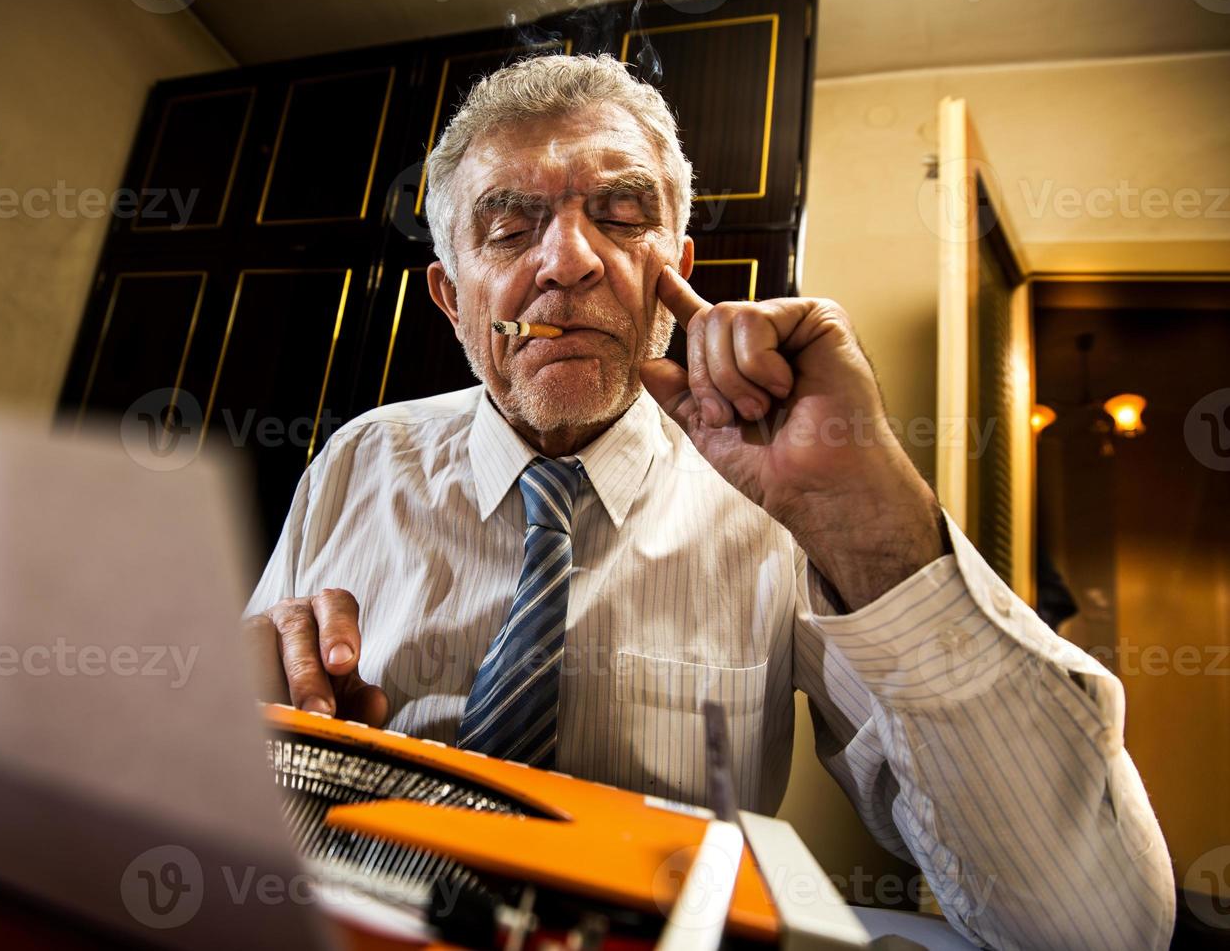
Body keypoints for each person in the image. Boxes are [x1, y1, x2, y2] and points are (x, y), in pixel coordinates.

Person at [244, 55, 1173, 950]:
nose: (570, 262)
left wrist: (873, 526)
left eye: (620, 215)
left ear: (677, 268)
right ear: (451, 299)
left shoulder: (784, 503)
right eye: (510, 227)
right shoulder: (359, 459)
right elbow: (217, 755)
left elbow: (1090, 928)